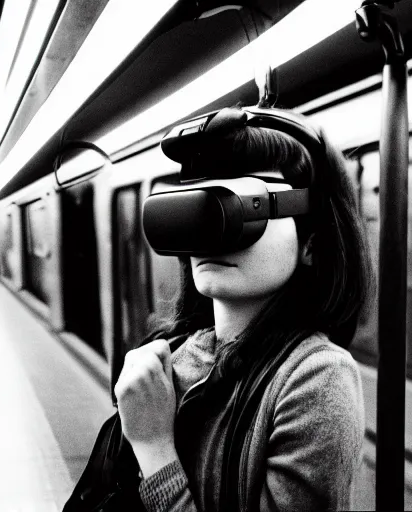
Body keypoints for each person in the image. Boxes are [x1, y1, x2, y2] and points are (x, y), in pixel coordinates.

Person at [112, 106, 372, 511]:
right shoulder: (170, 355)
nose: (214, 237)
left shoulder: (316, 380)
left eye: (240, 205)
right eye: (203, 208)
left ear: (311, 244)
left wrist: (153, 447)